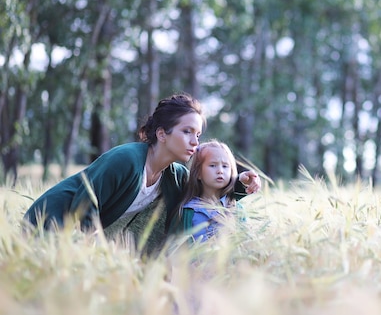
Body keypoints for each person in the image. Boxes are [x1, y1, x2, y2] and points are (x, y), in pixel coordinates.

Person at [23, 93, 261, 239]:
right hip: (47, 228)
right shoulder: (125, 159)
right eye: (187, 131)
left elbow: (202, 197)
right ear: (162, 134)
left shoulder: (175, 175)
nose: (195, 141)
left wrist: (239, 184)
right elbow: (85, 204)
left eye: (198, 134)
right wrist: (92, 254)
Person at [175, 140, 253, 242]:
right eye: (212, 165)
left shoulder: (237, 209)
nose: (220, 170)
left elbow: (246, 244)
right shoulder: (187, 212)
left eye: (225, 166)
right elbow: (179, 248)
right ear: (198, 173)